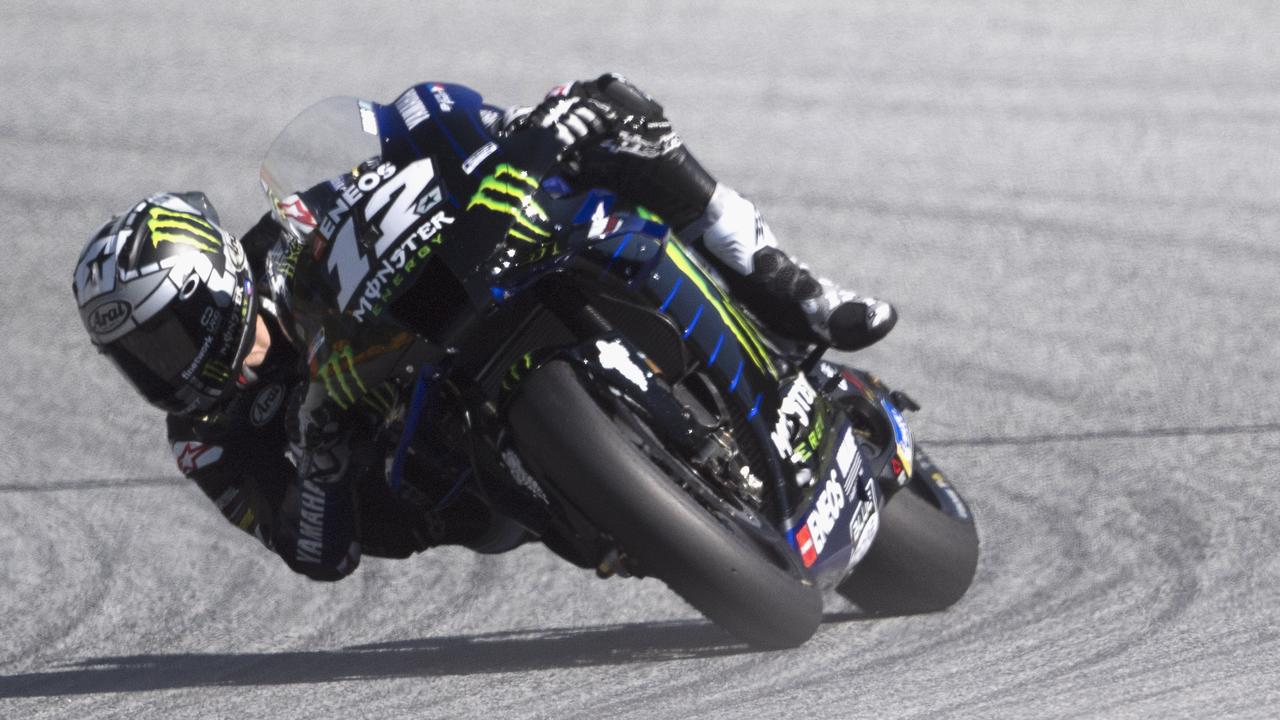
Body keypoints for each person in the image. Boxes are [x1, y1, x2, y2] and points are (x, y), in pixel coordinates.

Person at [71, 74, 897, 582]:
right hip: (437, 476)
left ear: (217, 284)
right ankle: (625, 510)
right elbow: (315, 557)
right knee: (489, 499)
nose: (163, 367)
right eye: (137, 356)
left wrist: (491, 133)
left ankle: (793, 291)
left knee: (610, 118)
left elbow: (398, 147)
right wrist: (320, 475)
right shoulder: (205, 434)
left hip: (452, 308)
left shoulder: (284, 237)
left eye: (169, 333)